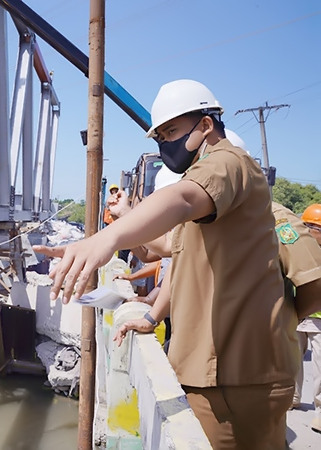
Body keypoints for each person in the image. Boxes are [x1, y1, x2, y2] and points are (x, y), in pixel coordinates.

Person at [33, 79, 300, 448]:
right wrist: (147, 309)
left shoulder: (229, 162)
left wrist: (107, 238)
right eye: (159, 136)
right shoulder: (214, 202)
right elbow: (171, 249)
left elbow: (185, 198)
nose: (166, 143)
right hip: (213, 374)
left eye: (172, 131)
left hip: (241, 376)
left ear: (206, 124)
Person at [291, 203, 321, 432]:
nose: (309, 231)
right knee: (291, 358)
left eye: (312, 227)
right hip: (299, 313)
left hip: (319, 319)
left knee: (320, 367)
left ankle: (320, 411)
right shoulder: (300, 248)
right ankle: (293, 396)